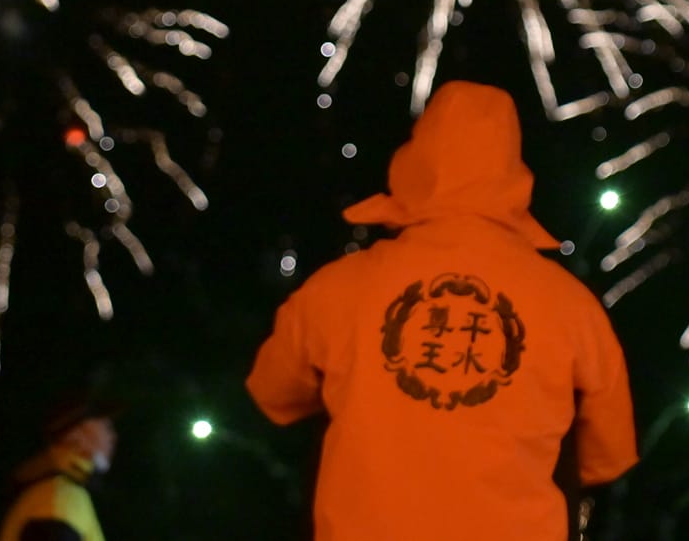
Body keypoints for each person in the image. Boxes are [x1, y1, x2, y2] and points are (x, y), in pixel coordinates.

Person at [247, 78, 638, 541]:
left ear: (416, 162)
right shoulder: (572, 306)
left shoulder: (337, 288)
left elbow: (273, 393)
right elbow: (608, 454)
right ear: (514, 174)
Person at [0, 392, 119, 541]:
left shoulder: (55, 492)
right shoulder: (61, 498)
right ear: (75, 436)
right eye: (106, 426)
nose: (113, 437)